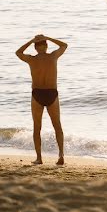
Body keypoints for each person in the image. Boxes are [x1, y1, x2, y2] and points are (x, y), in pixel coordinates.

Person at [15, 34, 68, 166]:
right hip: (52, 94)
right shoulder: (53, 56)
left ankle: (39, 158)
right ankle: (61, 155)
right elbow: (64, 45)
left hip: (37, 94)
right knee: (57, 126)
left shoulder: (31, 59)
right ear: (46, 46)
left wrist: (32, 40)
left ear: (36, 48)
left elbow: (18, 52)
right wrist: (49, 38)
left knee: (37, 128)